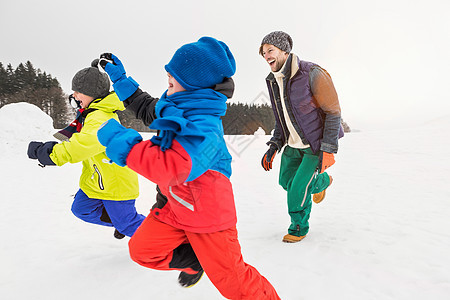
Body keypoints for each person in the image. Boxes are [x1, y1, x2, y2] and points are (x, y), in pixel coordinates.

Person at [96, 37, 280, 299]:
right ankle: (195, 259)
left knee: (234, 283)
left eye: (174, 78)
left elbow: (173, 166)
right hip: (175, 207)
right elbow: (148, 108)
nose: (168, 78)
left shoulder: (205, 129)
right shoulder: (176, 106)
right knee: (142, 250)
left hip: (208, 218)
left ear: (195, 85)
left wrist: (122, 144)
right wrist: (120, 80)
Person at [27, 60, 145, 239]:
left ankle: (175, 245)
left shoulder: (99, 118)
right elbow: (75, 137)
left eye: (78, 91)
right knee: (82, 209)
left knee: (128, 224)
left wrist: (49, 153)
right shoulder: (89, 114)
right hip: (98, 180)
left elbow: (80, 146)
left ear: (92, 93)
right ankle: (119, 221)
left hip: (115, 184)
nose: (74, 95)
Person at [259, 31, 344, 243]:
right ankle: (322, 182)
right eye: (263, 53)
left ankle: (298, 227)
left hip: (315, 145)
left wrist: (328, 149)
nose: (266, 55)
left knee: (297, 191)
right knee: (286, 182)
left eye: (270, 50)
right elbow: (282, 119)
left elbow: (333, 112)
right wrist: (273, 146)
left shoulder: (312, 73)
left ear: (284, 51)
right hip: (293, 145)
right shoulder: (273, 81)